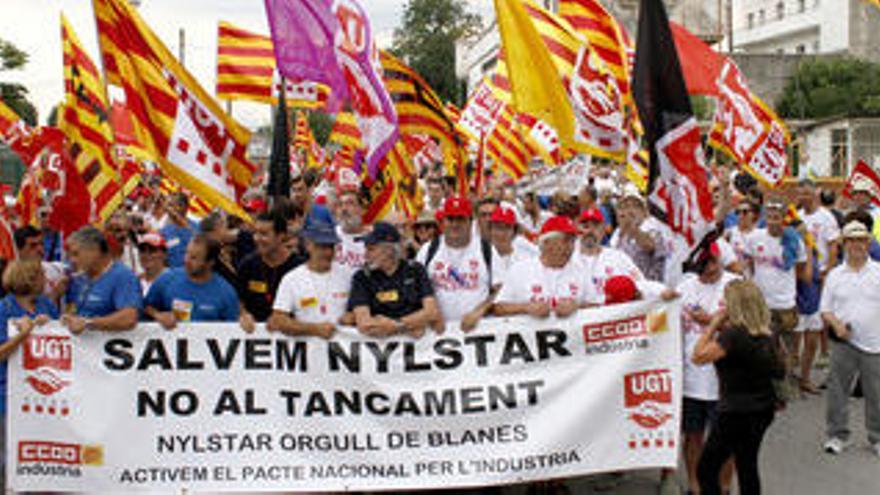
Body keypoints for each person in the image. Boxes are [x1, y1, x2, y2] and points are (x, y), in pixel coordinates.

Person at [693, 280, 784, 495]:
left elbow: (698, 356)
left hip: (735, 411)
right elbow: (780, 366)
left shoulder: (733, 335)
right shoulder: (770, 331)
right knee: (747, 464)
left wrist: (713, 324)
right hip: (763, 408)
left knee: (706, 469)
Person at [677, 244, 739, 495]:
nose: (710, 269)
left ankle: (723, 488)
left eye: (713, 262)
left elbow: (749, 326)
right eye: (704, 265)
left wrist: (711, 321)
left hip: (726, 380)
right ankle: (695, 486)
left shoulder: (736, 286)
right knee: (693, 436)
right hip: (691, 378)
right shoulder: (684, 287)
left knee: (726, 440)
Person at [820, 221, 880, 457]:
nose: (857, 245)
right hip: (844, 343)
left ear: (868, 243)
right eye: (851, 240)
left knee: (876, 393)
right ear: (844, 244)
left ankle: (876, 437)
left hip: (876, 343)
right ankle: (837, 436)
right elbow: (825, 309)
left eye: (861, 240)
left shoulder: (878, 272)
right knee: (838, 390)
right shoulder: (835, 275)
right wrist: (836, 325)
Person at [0, 260, 60, 489]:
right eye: (41, 276)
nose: (46, 281)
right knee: (7, 457)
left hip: (42, 396)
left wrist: (52, 326)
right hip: (7, 396)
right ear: (29, 278)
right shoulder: (4, 309)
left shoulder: (47, 305)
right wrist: (22, 337)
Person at [746, 200, 811, 394]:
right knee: (763, 346)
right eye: (770, 217)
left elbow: (800, 268)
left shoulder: (793, 241)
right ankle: (766, 386)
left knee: (787, 347)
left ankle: (785, 384)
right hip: (761, 303)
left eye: (777, 217)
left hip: (785, 303)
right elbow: (748, 262)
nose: (773, 221)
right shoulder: (754, 237)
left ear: (784, 219)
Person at [348, 222, 442, 337]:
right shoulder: (361, 277)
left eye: (371, 249)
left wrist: (397, 325)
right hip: (380, 351)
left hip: (420, 352)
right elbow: (364, 324)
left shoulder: (415, 270)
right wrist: (412, 324)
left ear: (389, 249)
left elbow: (432, 312)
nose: (365, 255)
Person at [417, 196, 495, 330]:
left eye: (460, 219)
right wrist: (430, 313)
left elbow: (499, 290)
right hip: (437, 332)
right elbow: (416, 289)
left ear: (471, 222)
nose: (455, 224)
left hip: (478, 331)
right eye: (450, 219)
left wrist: (479, 311)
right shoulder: (428, 250)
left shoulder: (486, 249)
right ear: (442, 222)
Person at [494, 216, 590, 319]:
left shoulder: (581, 270)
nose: (570, 247)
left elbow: (598, 306)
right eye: (565, 241)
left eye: (573, 241)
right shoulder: (520, 270)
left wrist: (576, 306)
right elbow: (498, 307)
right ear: (546, 242)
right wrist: (526, 307)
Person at [795, 179, 841, 392]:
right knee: (795, 330)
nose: (803, 197)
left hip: (817, 280)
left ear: (816, 193)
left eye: (807, 193)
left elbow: (833, 247)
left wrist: (827, 274)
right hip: (796, 280)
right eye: (800, 193)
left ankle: (805, 377)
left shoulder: (826, 217)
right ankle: (792, 377)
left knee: (813, 330)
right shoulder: (796, 217)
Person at [269, 223, 351, 339]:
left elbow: (359, 309)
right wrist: (314, 329)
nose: (328, 252)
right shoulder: (292, 279)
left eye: (331, 247)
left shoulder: (347, 276)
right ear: (308, 246)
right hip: (307, 353)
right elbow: (279, 319)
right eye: (322, 247)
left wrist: (352, 316)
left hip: (342, 352)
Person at [144, 235, 240, 328]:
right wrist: (158, 315)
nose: (186, 260)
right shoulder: (167, 280)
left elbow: (233, 329)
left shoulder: (226, 292)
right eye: (186, 253)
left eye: (194, 258)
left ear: (210, 262)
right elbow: (146, 307)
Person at [62, 226, 141, 333]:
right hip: (82, 347)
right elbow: (72, 311)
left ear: (95, 250)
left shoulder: (123, 276)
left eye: (76, 254)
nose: (72, 260)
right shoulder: (78, 279)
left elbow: (129, 318)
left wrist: (89, 323)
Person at [237, 209, 303, 329]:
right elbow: (239, 300)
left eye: (264, 234)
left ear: (281, 236)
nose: (257, 239)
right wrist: (243, 314)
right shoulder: (247, 265)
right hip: (253, 339)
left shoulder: (300, 268)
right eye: (255, 233)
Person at [609, 187, 670, 283]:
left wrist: (632, 228)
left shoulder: (653, 229)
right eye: (624, 206)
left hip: (649, 291)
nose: (628, 210)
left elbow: (649, 245)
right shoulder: (618, 235)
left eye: (634, 206)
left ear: (644, 212)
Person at [13, 225, 65, 303]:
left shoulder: (56, 269)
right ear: (19, 250)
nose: (40, 249)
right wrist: (54, 295)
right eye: (33, 245)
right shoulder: (11, 278)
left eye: (41, 244)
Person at [489, 205, 536, 283]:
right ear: (490, 229)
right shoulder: (481, 256)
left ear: (514, 231)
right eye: (498, 227)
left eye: (507, 228)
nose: (501, 233)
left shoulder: (525, 258)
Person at [334, 188, 369, 272]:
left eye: (350, 203)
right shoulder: (328, 235)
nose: (344, 209)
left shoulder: (372, 240)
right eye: (340, 204)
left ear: (362, 209)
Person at [159, 192, 196, 268]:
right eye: (168, 205)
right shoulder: (163, 233)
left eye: (171, 205)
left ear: (184, 207)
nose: (168, 209)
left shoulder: (196, 229)